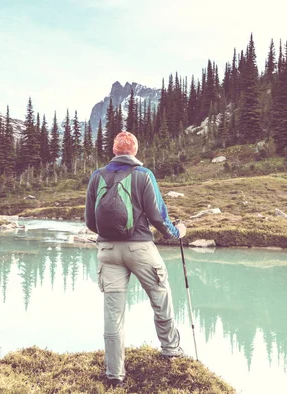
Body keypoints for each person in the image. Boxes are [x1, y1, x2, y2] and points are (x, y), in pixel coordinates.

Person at [84, 131, 187, 388]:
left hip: (108, 251)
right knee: (160, 296)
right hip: (141, 249)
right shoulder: (144, 175)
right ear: (135, 151)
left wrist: (111, 236)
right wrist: (177, 232)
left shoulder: (97, 176)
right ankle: (171, 349)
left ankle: (114, 374)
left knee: (113, 313)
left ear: (114, 150)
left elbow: (89, 221)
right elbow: (158, 217)